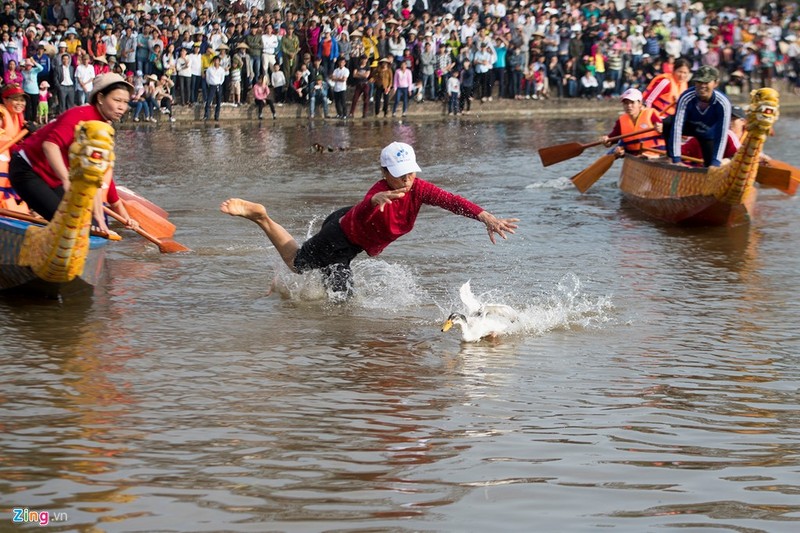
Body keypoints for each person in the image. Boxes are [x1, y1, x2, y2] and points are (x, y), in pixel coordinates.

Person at [220, 142, 519, 298]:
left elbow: (451, 201)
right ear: (385, 172)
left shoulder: (419, 188)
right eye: (400, 174)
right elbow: (363, 210)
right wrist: (373, 203)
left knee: (338, 300)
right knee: (299, 266)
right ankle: (261, 217)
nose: (407, 179)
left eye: (411, 172)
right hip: (339, 235)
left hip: (352, 245)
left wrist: (484, 216)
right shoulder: (378, 192)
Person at [9, 73, 139, 234]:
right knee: (70, 224)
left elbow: (94, 176)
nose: (122, 107)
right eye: (117, 100)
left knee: (91, 224)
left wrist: (100, 216)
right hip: (28, 170)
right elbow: (50, 146)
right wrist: (67, 181)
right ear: (100, 98)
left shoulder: (104, 127)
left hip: (53, 178)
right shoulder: (80, 115)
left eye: (125, 102)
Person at [665, 65, 731, 167]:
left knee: (710, 165)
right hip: (689, 126)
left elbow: (721, 134)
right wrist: (676, 159)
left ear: (715, 83)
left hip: (708, 133)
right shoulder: (686, 97)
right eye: (699, 82)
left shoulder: (723, 103)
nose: (702, 86)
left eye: (706, 82)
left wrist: (716, 162)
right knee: (668, 122)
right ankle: (669, 157)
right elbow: (677, 127)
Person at [601, 88, 664, 157]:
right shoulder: (621, 121)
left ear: (640, 103)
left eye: (632, 102)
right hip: (636, 156)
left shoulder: (651, 114)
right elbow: (611, 140)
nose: (629, 106)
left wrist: (662, 128)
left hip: (656, 155)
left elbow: (665, 130)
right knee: (617, 150)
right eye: (626, 103)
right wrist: (606, 140)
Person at [0, 84, 29, 212]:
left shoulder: (18, 117)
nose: (20, 103)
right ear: (5, 100)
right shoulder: (1, 116)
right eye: (15, 99)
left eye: (22, 100)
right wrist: (24, 133)